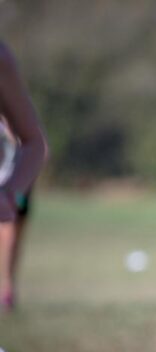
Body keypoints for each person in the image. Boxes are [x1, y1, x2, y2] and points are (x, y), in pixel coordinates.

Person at [0, 42, 48, 312]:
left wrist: (12, 192)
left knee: (14, 231)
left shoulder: (2, 59)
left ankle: (8, 287)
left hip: (9, 174)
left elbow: (37, 145)